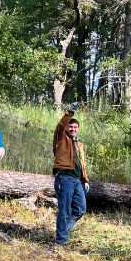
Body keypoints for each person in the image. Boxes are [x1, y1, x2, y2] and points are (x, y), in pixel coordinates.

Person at [52, 103, 89, 245]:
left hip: (76, 181)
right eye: (70, 127)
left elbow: (81, 165)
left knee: (80, 209)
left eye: (75, 127)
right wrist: (70, 113)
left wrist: (85, 180)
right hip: (64, 178)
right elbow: (60, 126)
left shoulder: (79, 144)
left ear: (78, 129)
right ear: (67, 128)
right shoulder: (61, 139)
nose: (72, 129)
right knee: (65, 210)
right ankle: (61, 240)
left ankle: (62, 231)